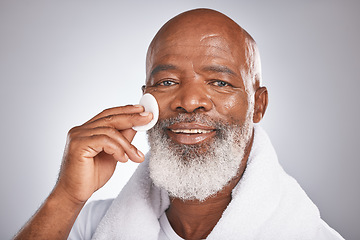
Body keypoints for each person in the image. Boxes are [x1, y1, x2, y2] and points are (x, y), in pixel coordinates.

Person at [14, 8, 344, 240]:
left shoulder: (309, 234)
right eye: (168, 82)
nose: (189, 101)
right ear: (144, 102)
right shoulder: (88, 226)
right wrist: (68, 197)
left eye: (220, 82)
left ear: (259, 105)